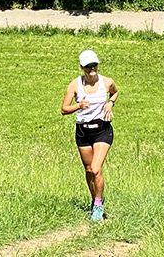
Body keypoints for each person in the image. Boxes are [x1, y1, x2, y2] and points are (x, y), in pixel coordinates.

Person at [60, 49, 118, 222]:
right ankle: (95, 199)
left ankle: (99, 206)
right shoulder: (74, 85)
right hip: (83, 131)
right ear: (82, 67)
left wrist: (110, 103)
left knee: (96, 168)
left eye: (94, 65)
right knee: (88, 170)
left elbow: (115, 92)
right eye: (87, 66)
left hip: (102, 129)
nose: (91, 69)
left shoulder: (107, 82)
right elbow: (64, 109)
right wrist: (79, 106)